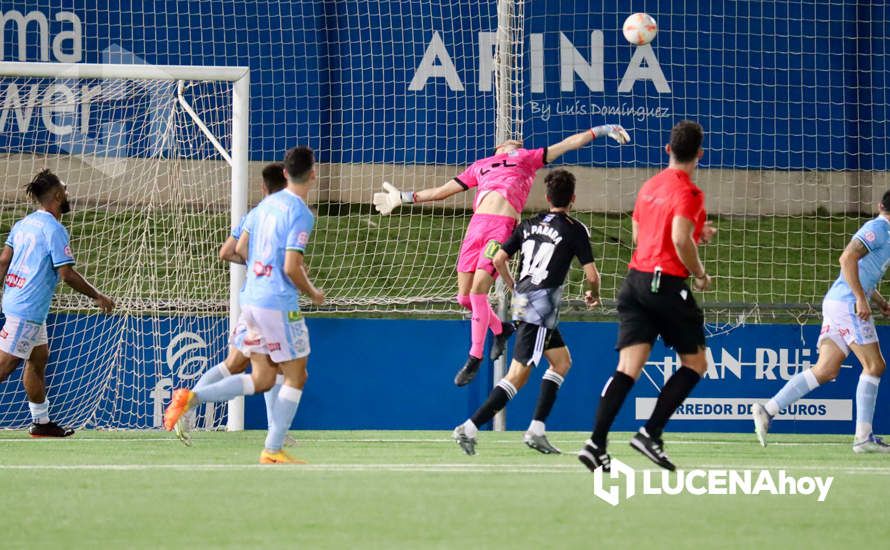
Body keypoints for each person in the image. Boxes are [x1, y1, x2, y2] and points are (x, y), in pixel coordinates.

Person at [373, 125, 629, 386]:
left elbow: (569, 142)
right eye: (510, 141)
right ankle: (500, 328)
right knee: (463, 297)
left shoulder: (526, 158)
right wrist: (404, 197)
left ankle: (475, 356)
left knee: (478, 290)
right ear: (498, 147)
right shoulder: (481, 165)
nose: (514, 141)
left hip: (501, 227)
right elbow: (441, 192)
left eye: (518, 142)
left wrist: (603, 129)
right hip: (476, 227)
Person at [164, 147, 325, 464]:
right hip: (276, 302)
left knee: (263, 378)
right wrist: (313, 292)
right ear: (313, 174)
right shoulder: (300, 212)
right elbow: (292, 266)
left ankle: (192, 397)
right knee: (296, 374)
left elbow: (237, 248)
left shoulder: (262, 208)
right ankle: (273, 447)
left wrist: (260, 267)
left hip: (250, 300)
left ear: (283, 174)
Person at [578, 120, 716, 473]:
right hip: (665, 283)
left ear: (668, 149)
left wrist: (695, 231)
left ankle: (596, 444)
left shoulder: (651, 184)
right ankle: (650, 433)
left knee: (628, 368)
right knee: (696, 363)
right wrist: (699, 273)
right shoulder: (690, 192)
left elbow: (642, 234)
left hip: (634, 281)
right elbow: (680, 239)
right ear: (700, 154)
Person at [452, 169, 600, 455]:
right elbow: (592, 274)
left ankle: (536, 430)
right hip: (540, 305)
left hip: (523, 300)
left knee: (561, 361)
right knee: (518, 375)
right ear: (573, 199)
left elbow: (497, 258)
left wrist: (512, 286)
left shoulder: (528, 224)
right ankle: (468, 428)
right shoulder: (575, 228)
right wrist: (593, 293)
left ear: (547, 197)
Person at [753, 192, 890, 453]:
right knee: (874, 365)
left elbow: (861, 272)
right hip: (847, 304)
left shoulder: (884, 232)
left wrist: (879, 301)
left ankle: (767, 410)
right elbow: (846, 259)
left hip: (838, 302)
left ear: (880, 205)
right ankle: (863, 438)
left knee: (826, 369)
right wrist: (861, 299)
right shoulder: (878, 228)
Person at [174, 162, 295, 447]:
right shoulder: (281, 215)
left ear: (263, 188)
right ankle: (274, 431)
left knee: (239, 364)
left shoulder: (253, 215)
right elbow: (249, 253)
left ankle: (188, 407)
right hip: (269, 300)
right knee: (271, 365)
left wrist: (252, 263)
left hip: (250, 298)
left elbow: (228, 251)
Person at [0, 169, 115, 437]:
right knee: (4, 367)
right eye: (66, 189)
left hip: (22, 304)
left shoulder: (23, 224)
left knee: (39, 358)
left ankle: (41, 422)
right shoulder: (55, 229)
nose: (69, 194)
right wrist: (97, 295)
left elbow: (4, 260)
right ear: (58, 195)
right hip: (27, 308)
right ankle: (41, 422)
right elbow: (66, 274)